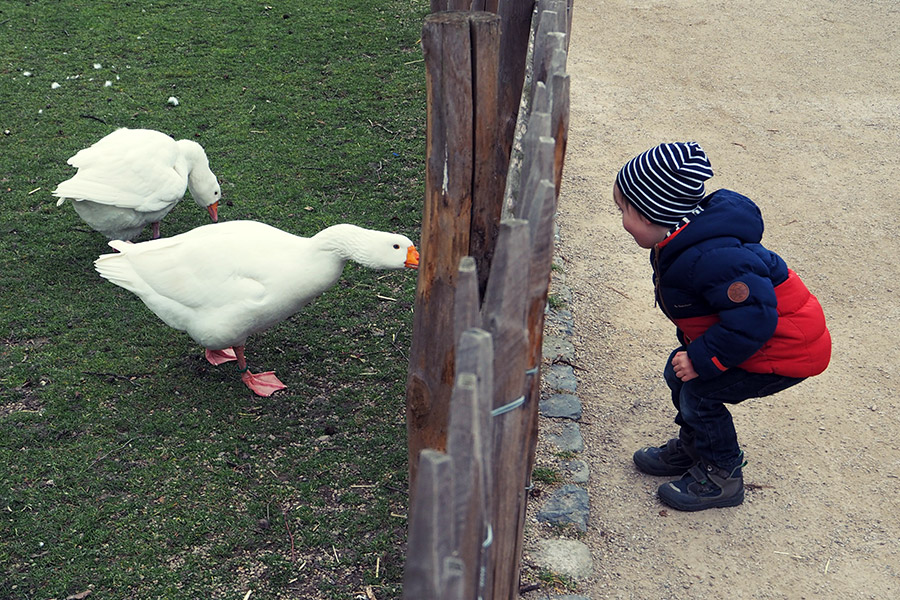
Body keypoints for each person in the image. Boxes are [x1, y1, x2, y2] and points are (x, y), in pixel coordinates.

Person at [612, 142, 831, 511]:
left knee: (700, 391)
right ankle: (696, 447)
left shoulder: (714, 258)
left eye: (623, 210)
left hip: (787, 348)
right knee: (680, 374)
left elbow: (755, 318)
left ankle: (721, 474)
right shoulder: (683, 240)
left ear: (651, 215)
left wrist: (702, 358)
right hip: (756, 339)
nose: (619, 218)